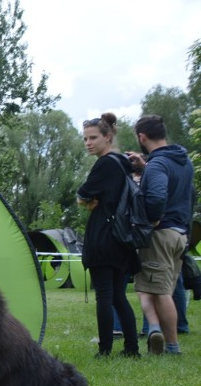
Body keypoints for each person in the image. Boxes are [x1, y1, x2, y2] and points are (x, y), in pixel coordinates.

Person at [127, 115, 194, 355]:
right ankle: (157, 331)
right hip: (179, 233)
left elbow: (156, 196)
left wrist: (152, 220)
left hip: (161, 234)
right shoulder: (182, 161)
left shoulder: (158, 165)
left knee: (160, 292)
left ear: (142, 137)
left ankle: (172, 346)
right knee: (157, 286)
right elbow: (188, 195)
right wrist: (145, 166)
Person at [76, 114, 141, 357]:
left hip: (104, 235)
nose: (88, 143)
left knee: (104, 296)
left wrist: (90, 202)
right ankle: (132, 348)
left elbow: (82, 195)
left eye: (93, 137)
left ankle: (104, 350)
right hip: (122, 237)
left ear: (108, 136)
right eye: (85, 138)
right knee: (118, 296)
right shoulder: (124, 162)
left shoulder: (104, 163)